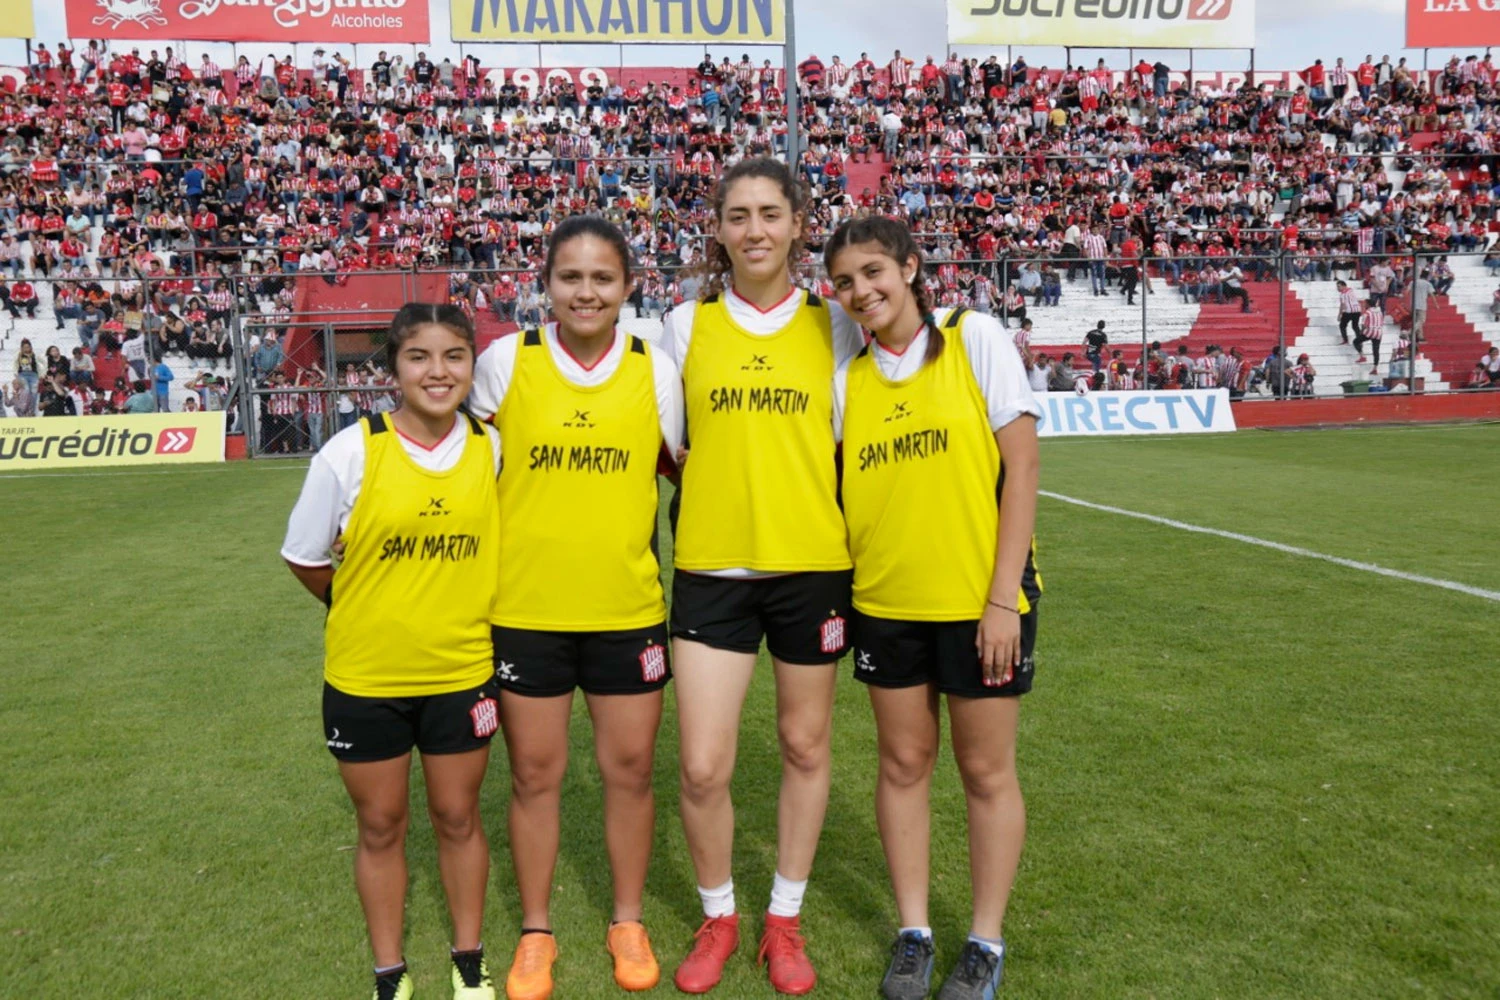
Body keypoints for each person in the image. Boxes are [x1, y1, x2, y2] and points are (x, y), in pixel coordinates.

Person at [466, 217, 685, 1000]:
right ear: (546, 284)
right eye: (570, 277)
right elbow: (463, 473)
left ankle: (627, 919)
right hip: (526, 610)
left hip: (626, 609)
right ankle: (535, 930)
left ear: (629, 286)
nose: (585, 291)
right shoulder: (505, 362)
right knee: (534, 774)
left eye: (602, 278)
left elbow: (689, 473)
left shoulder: (652, 369)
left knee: (628, 772)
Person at [661, 157, 865, 996]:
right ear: (717, 228)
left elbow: (853, 445)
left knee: (803, 744)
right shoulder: (683, 325)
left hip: (811, 566)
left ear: (798, 224)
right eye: (738, 215)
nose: (754, 231)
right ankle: (720, 915)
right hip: (712, 566)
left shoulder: (836, 324)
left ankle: (784, 920)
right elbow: (672, 450)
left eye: (770, 214)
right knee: (704, 765)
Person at [824, 216, 1041, 1000]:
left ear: (911, 267)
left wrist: (1001, 601)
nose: (862, 291)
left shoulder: (972, 336)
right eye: (845, 282)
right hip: (885, 605)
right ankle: (913, 933)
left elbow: (1021, 470)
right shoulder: (845, 376)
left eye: (875, 271)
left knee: (985, 772)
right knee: (904, 764)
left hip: (979, 604)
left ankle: (984, 941)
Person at [280, 304, 503, 1000]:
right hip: (366, 676)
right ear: (392, 370)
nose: (438, 372)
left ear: (472, 364)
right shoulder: (350, 451)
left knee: (459, 817)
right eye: (419, 357)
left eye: (454, 357)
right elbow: (306, 558)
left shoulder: (492, 448)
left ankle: (470, 964)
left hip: (462, 671)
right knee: (380, 824)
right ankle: (390, 973)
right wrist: (363, 610)